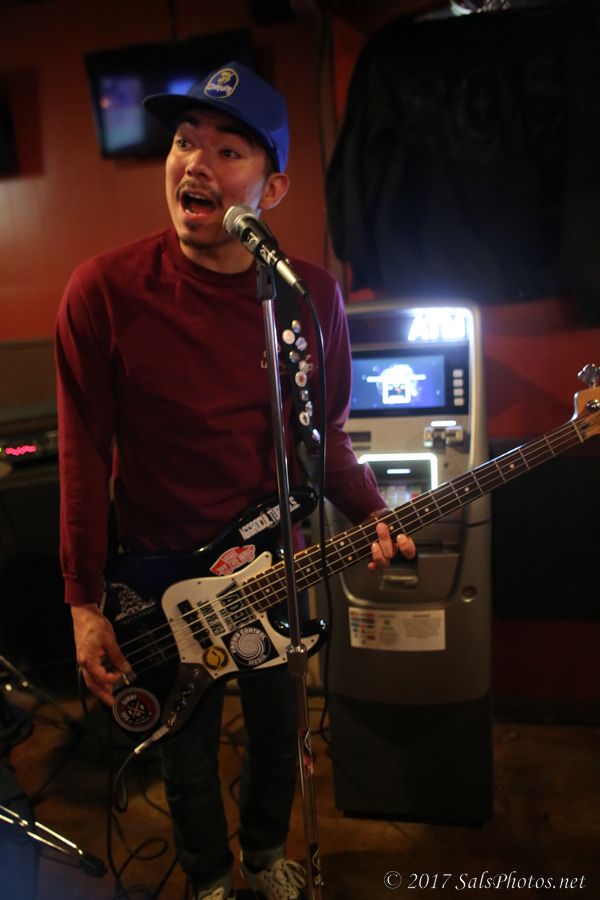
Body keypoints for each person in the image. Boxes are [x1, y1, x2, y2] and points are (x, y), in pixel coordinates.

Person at [55, 60, 416, 900]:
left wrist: (371, 511)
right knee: (185, 753)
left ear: (271, 187)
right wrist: (82, 603)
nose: (196, 163)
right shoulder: (102, 292)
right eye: (185, 142)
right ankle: (210, 877)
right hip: (157, 575)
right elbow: (83, 455)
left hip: (274, 565)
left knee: (280, 731)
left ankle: (262, 855)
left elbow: (323, 435)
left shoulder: (305, 297)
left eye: (227, 150)